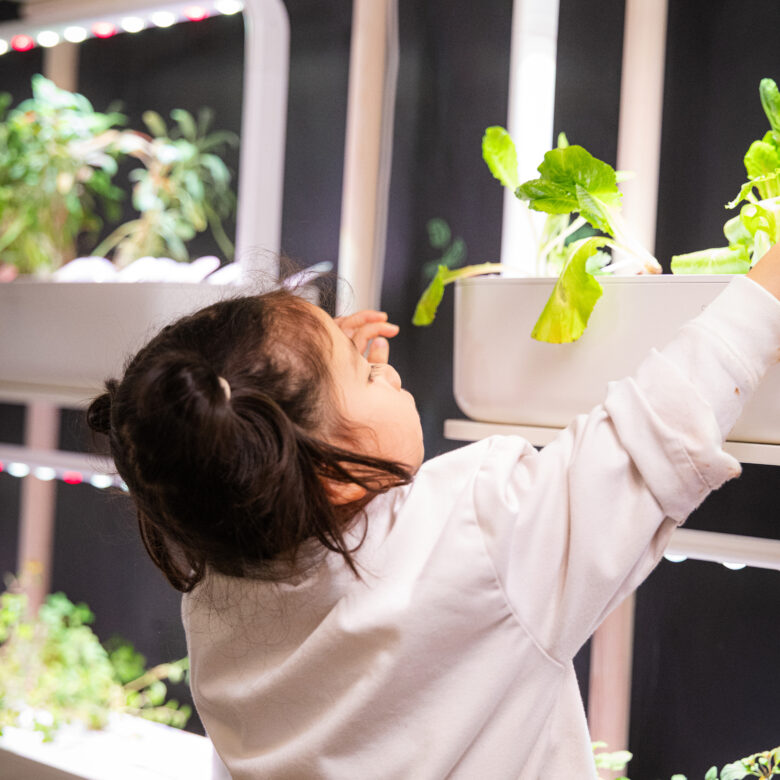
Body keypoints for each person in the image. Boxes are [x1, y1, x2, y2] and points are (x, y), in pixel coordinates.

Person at [87, 246, 780, 779]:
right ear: (324, 477)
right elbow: (660, 418)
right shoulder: (481, 539)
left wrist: (317, 391)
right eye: (363, 375)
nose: (386, 369)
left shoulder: (217, 589)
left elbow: (248, 464)